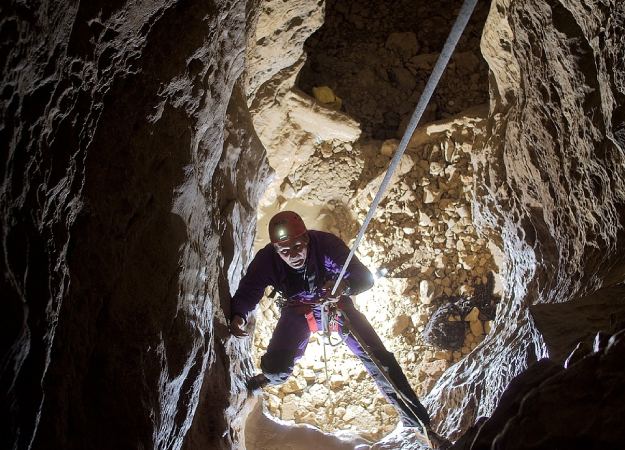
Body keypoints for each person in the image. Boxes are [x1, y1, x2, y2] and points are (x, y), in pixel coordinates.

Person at [229, 210, 437, 437]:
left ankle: (418, 423)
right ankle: (268, 378)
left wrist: (343, 287)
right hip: (298, 311)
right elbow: (250, 289)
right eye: (285, 251)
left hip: (336, 306)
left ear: (306, 238)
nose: (293, 255)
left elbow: (364, 278)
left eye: (298, 247)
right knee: (277, 368)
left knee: (379, 359)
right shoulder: (267, 259)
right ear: (276, 249)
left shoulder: (326, 245)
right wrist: (239, 313)